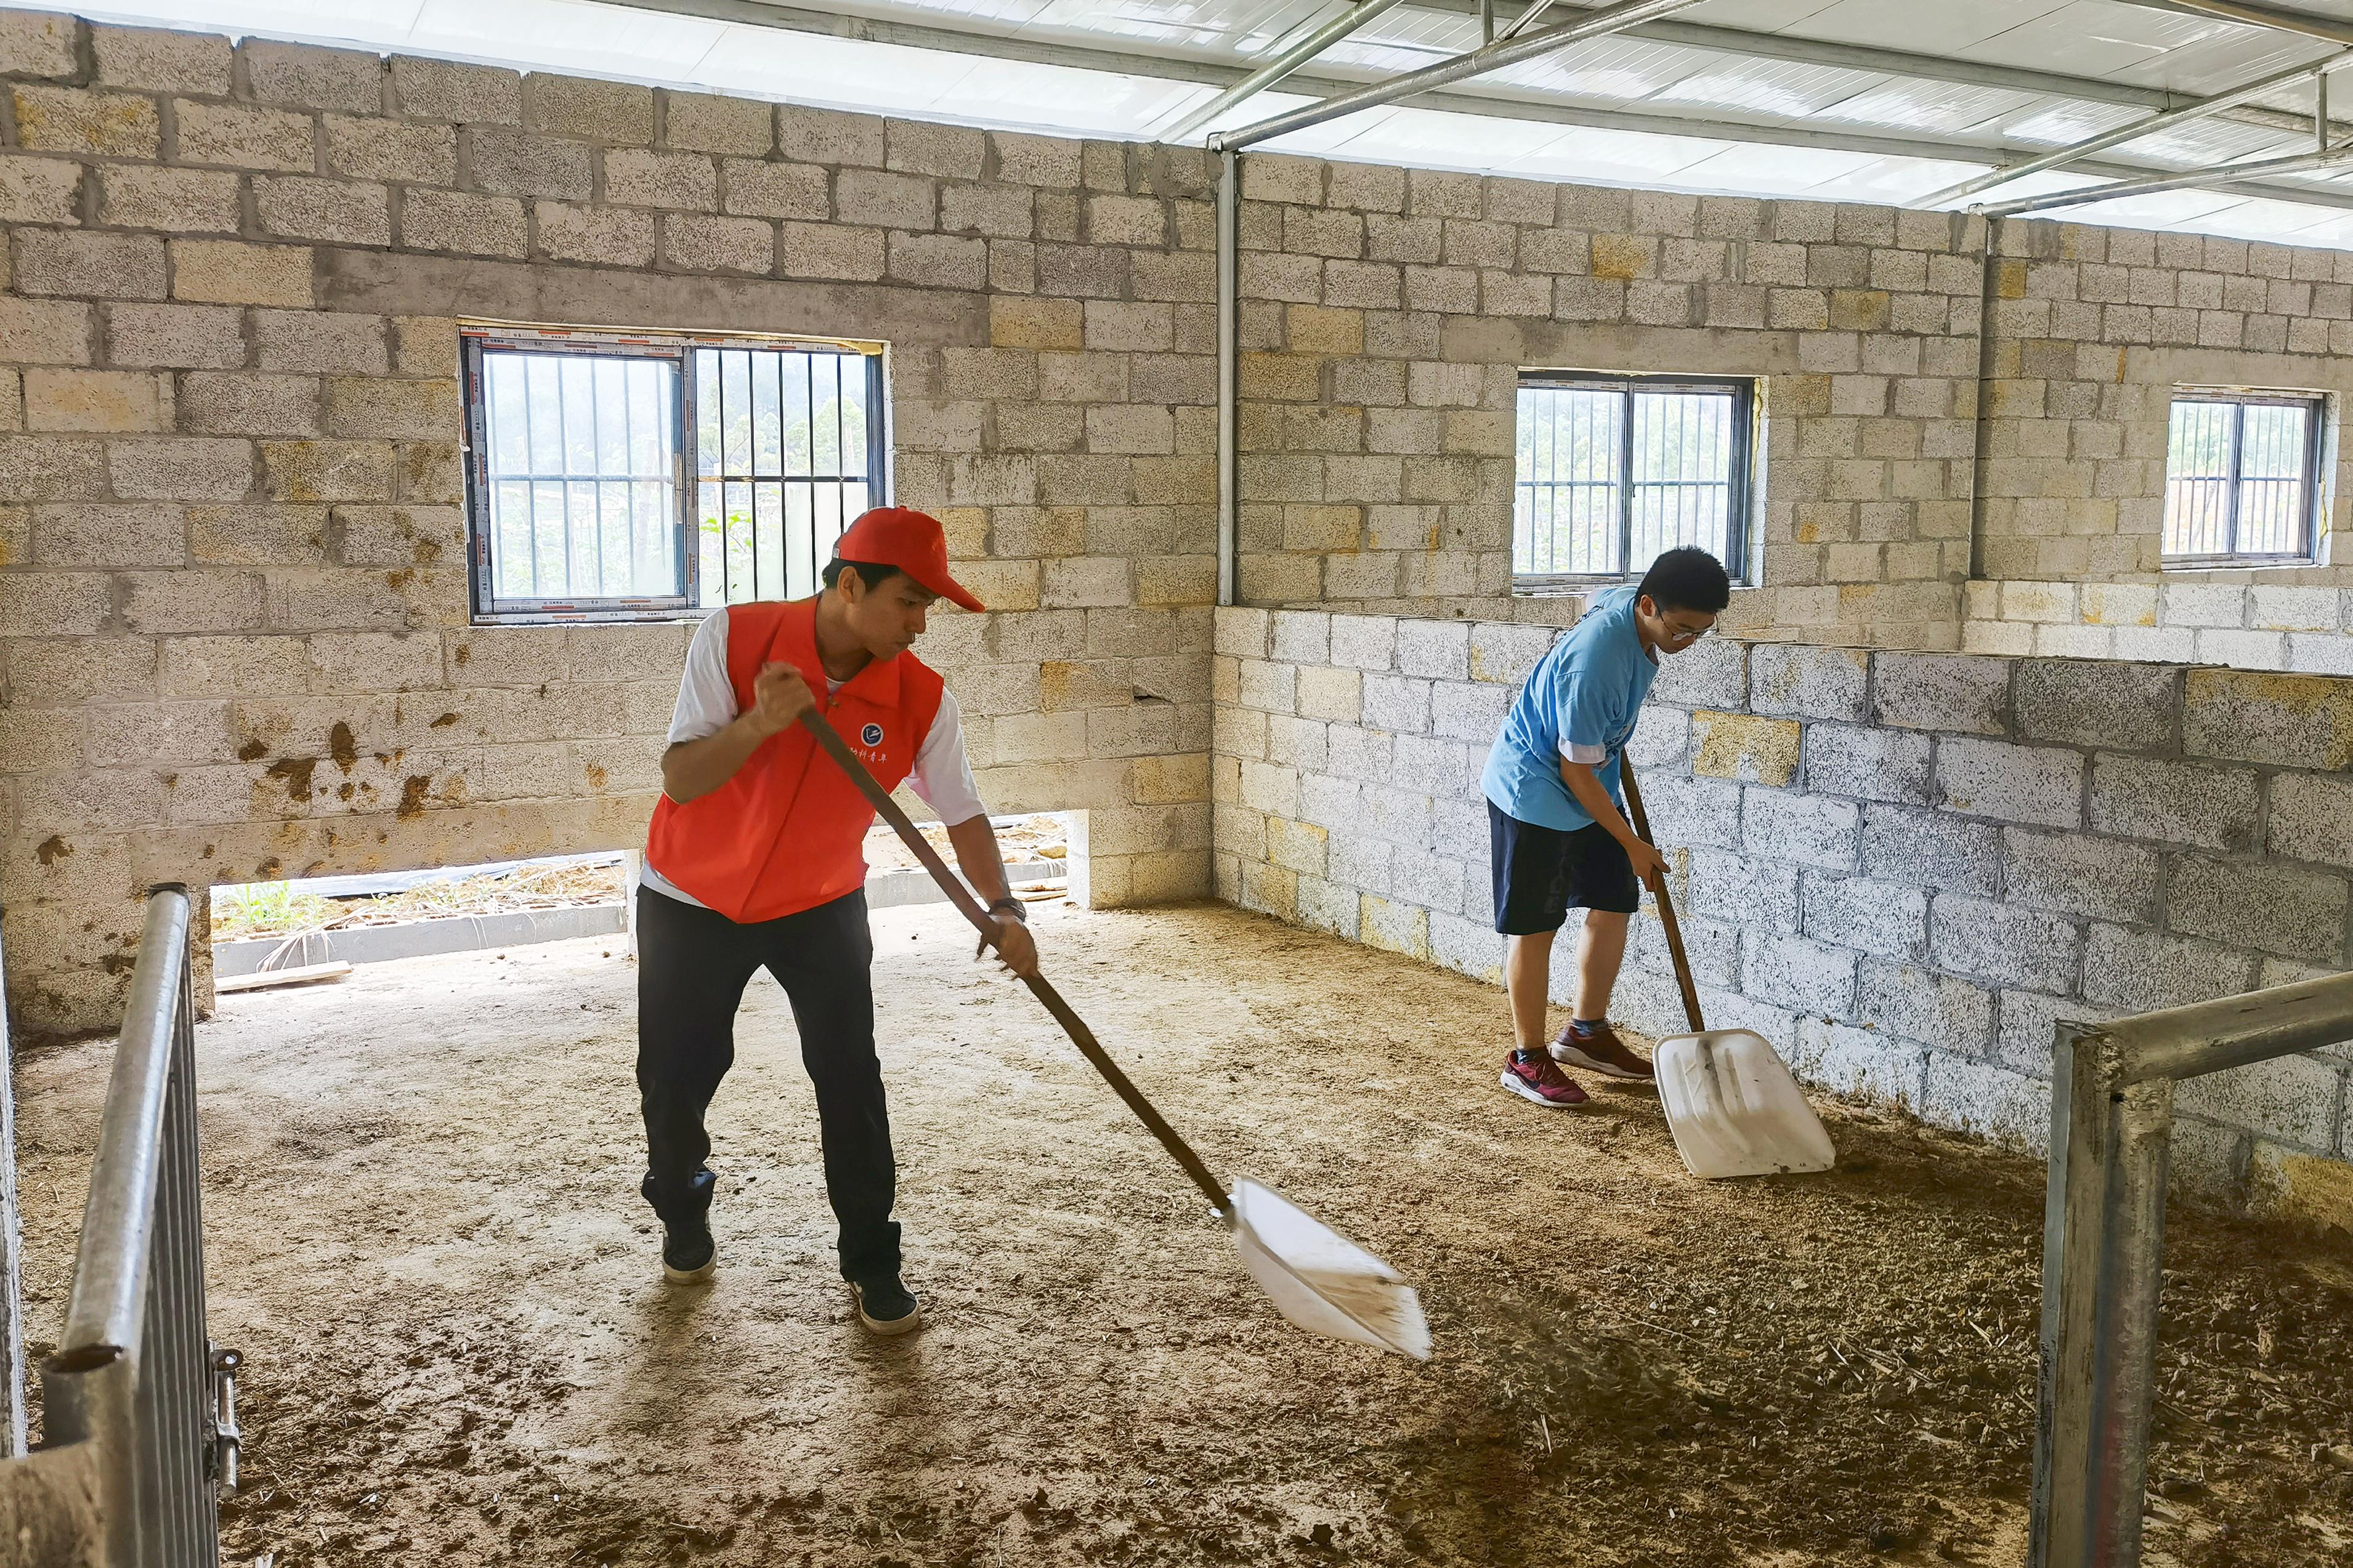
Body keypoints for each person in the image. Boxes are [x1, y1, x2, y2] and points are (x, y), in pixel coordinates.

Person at [633, 505, 1039, 1335]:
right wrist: (760, 722)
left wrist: (1002, 906)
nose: (920, 626)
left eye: (929, 607)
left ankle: (873, 1260)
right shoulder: (735, 638)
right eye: (908, 602)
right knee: (676, 1078)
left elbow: (962, 812)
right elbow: (681, 779)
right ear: (850, 584)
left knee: (851, 1080)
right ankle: (682, 1210)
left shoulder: (921, 697)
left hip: (820, 902)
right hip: (691, 897)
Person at [1480, 545, 1731, 1109]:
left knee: (1614, 901)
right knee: (1535, 925)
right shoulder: (1594, 663)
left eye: (1702, 632)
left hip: (1593, 782)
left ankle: (1586, 1034)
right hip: (1536, 789)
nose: (1689, 642)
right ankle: (1527, 1059)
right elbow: (1574, 770)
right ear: (1648, 606)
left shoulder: (1623, 603)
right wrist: (1632, 843)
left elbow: (1595, 600)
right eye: (1682, 629)